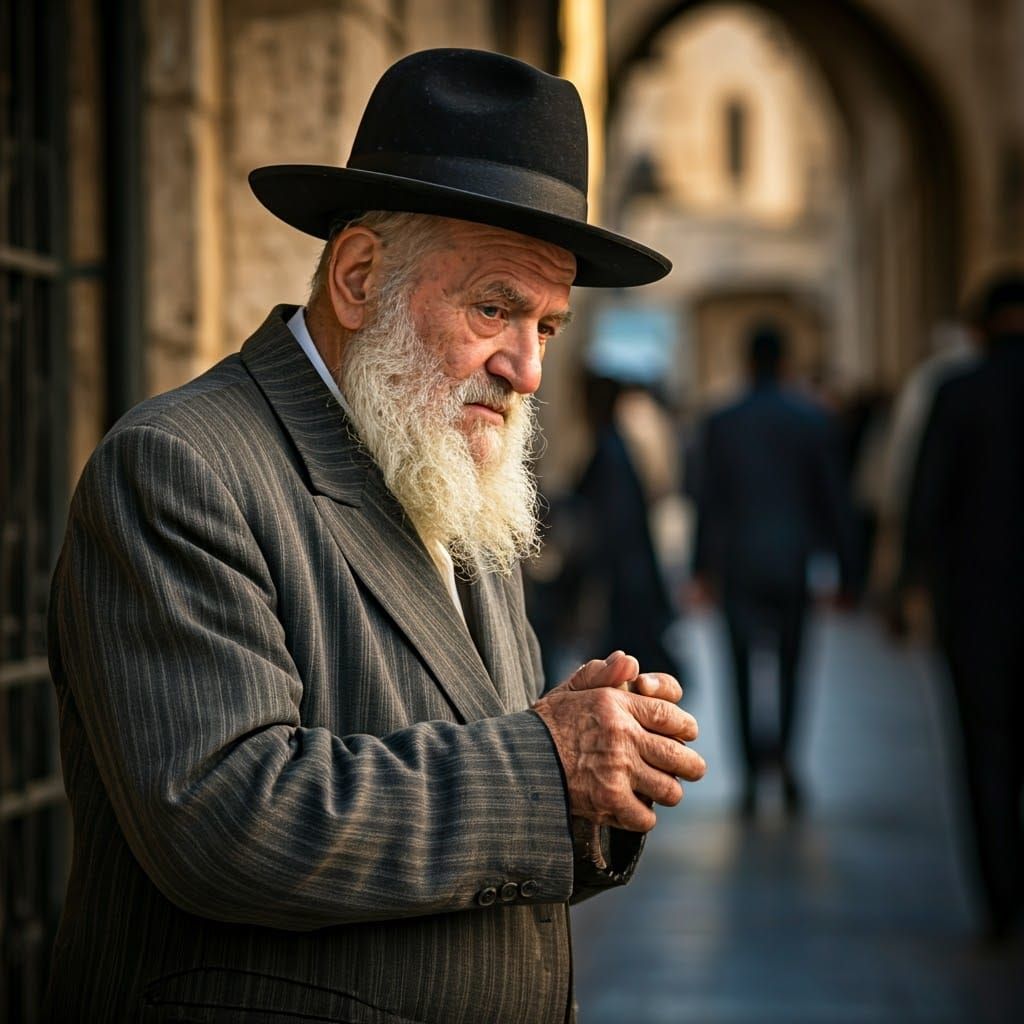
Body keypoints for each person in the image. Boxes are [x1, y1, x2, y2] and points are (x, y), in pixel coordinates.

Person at [44, 49, 706, 1022]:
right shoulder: (182, 464)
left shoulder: (445, 461)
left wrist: (596, 774)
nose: (525, 367)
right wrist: (545, 761)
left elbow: (478, 783)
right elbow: (225, 817)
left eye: (549, 327)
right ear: (359, 276)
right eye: (494, 308)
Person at [902, 272, 1024, 942]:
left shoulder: (958, 392)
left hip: (978, 609)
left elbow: (927, 502)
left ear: (980, 328)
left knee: (986, 751)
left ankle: (1001, 898)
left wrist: (902, 590)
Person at [689, 323, 855, 815]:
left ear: (747, 363)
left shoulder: (722, 421)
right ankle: (784, 763)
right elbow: (833, 502)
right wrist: (848, 572)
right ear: (786, 364)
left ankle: (746, 777)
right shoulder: (812, 419)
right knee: (792, 668)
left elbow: (708, 502)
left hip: (738, 564)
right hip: (793, 564)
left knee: (738, 670)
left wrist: (702, 570)